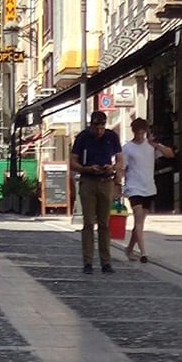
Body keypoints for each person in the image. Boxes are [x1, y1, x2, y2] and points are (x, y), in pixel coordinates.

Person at [71, 110, 123, 274]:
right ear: (91, 125)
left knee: (104, 224)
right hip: (88, 181)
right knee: (88, 223)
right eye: (95, 127)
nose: (99, 131)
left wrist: (113, 168)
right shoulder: (83, 137)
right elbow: (72, 162)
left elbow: (120, 160)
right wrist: (86, 168)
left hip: (106, 181)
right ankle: (87, 263)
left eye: (101, 127)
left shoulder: (111, 137)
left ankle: (106, 263)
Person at [121, 118, 176, 264]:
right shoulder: (127, 148)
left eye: (142, 132)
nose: (140, 135)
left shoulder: (151, 146)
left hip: (149, 187)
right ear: (133, 131)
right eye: (138, 132)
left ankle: (129, 249)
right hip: (134, 187)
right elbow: (122, 167)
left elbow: (170, 154)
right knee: (138, 219)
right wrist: (118, 184)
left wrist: (156, 145)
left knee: (140, 222)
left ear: (145, 132)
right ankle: (144, 253)